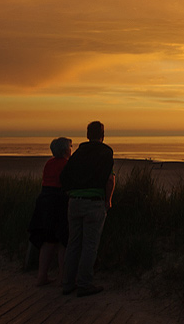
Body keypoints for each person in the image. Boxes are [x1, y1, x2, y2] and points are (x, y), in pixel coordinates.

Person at [60, 121, 115, 297]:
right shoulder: (106, 153)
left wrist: (71, 192)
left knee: (73, 243)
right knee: (90, 245)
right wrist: (108, 199)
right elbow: (109, 180)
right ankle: (84, 283)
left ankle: (68, 283)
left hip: (75, 202)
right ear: (102, 135)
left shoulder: (77, 154)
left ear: (87, 135)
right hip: (94, 202)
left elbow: (64, 176)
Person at [28, 137, 73, 286]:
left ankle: (42, 276)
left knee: (48, 240)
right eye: (70, 147)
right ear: (66, 150)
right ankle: (62, 277)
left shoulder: (49, 163)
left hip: (44, 201)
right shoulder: (67, 164)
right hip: (59, 201)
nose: (71, 149)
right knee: (62, 240)